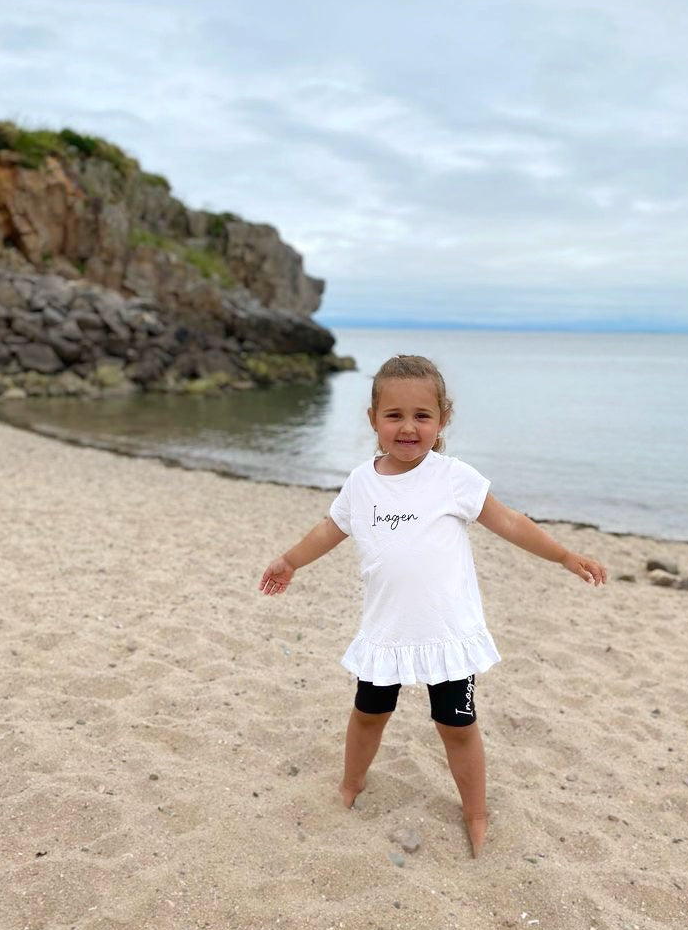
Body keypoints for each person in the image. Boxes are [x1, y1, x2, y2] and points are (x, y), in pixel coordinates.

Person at [260, 354, 606, 857]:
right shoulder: (362, 482)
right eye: (394, 415)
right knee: (368, 715)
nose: (408, 427)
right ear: (373, 419)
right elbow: (331, 528)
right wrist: (290, 560)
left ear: (442, 419)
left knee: (457, 726)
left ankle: (476, 811)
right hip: (387, 633)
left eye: (422, 415)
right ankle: (350, 784)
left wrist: (564, 555)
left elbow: (509, 521)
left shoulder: (453, 477)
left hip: (447, 634)